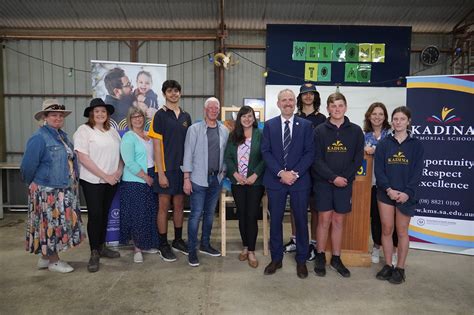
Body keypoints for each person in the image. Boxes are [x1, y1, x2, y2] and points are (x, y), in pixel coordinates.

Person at [21, 99, 85, 273]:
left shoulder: (61, 136)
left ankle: (45, 257)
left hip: (63, 189)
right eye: (53, 115)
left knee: (53, 223)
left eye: (60, 115)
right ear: (45, 117)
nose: (58, 118)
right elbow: (27, 165)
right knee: (51, 225)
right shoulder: (39, 138)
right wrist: (33, 183)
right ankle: (54, 261)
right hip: (48, 190)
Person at [261, 89, 315, 279]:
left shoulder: (306, 125)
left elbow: (310, 152)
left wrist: (295, 174)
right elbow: (265, 152)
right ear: (278, 104)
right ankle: (276, 258)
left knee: (301, 220)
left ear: (295, 102)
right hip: (276, 181)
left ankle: (302, 259)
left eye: (291, 100)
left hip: (299, 181)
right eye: (284, 100)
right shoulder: (269, 126)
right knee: (275, 220)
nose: (287, 103)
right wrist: (281, 173)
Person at [312, 92, 364, 278]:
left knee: (338, 221)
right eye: (333, 106)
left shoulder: (356, 131)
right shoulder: (319, 131)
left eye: (340, 105)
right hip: (324, 183)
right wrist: (333, 177)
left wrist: (344, 178)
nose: (337, 109)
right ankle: (319, 256)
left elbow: (358, 159)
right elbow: (316, 159)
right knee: (324, 220)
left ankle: (336, 258)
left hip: (345, 183)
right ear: (328, 109)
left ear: (345, 107)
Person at [374, 106, 424, 284]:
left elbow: (418, 172)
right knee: (387, 229)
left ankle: (400, 268)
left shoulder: (416, 145)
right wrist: (388, 189)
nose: (398, 122)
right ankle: (388, 265)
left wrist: (407, 193)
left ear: (408, 121)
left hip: (406, 195)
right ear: (392, 121)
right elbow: (379, 171)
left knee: (402, 232)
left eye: (402, 119)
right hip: (386, 193)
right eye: (395, 119)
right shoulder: (384, 144)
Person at [73, 98, 123, 272]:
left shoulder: (113, 132)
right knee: (95, 215)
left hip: (112, 180)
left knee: (105, 214)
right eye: (97, 111)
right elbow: (83, 158)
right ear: (91, 114)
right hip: (93, 181)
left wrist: (117, 172)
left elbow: (121, 155)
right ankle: (94, 252)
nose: (100, 114)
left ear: (107, 114)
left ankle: (102, 246)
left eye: (103, 111)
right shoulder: (84, 131)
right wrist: (105, 176)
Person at [148, 80, 192, 262]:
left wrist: (188, 173)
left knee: (180, 206)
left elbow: (189, 145)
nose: (173, 94)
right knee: (164, 208)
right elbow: (156, 147)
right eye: (169, 91)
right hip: (165, 170)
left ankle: (178, 240)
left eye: (176, 91)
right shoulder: (159, 116)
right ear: (164, 93)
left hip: (182, 170)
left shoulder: (186, 116)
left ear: (180, 93)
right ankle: (163, 243)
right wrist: (161, 173)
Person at [183, 97, 229, 267]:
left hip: (216, 179)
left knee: (210, 214)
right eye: (210, 107)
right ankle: (192, 250)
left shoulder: (224, 130)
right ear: (205, 110)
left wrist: (223, 171)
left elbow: (225, 153)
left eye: (216, 108)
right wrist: (186, 179)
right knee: (196, 215)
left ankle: (205, 244)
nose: (213, 110)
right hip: (197, 179)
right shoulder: (194, 130)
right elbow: (187, 154)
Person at [284, 82, 326, 262]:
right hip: (298, 171)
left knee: (316, 208)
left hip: (317, 171)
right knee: (296, 207)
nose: (308, 96)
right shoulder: (294, 117)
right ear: (300, 98)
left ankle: (315, 242)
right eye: (305, 94)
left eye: (311, 93)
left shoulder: (323, 118)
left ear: (316, 97)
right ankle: (295, 239)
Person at [224, 106, 265, 268]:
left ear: (254, 119)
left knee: (252, 215)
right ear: (239, 119)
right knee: (241, 214)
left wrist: (255, 175)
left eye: (250, 116)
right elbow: (227, 157)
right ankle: (245, 247)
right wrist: (236, 175)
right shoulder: (234, 135)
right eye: (244, 116)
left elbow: (265, 157)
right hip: (238, 183)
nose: (247, 119)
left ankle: (252, 251)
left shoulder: (260, 135)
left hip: (256, 182)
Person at [119, 107, 160, 263]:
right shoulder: (129, 137)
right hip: (135, 181)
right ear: (130, 120)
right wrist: (145, 177)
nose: (138, 119)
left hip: (151, 176)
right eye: (134, 117)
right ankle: (137, 249)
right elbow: (129, 162)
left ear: (144, 118)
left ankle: (147, 244)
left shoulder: (148, 135)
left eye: (140, 116)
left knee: (149, 213)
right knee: (137, 216)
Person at [363, 102, 398, 265]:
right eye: (374, 114)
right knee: (375, 219)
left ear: (385, 117)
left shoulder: (392, 134)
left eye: (381, 114)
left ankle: (395, 250)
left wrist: (375, 150)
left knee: (394, 220)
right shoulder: (365, 136)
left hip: (392, 184)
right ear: (369, 116)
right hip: (372, 185)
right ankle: (376, 247)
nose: (377, 117)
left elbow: (393, 153)